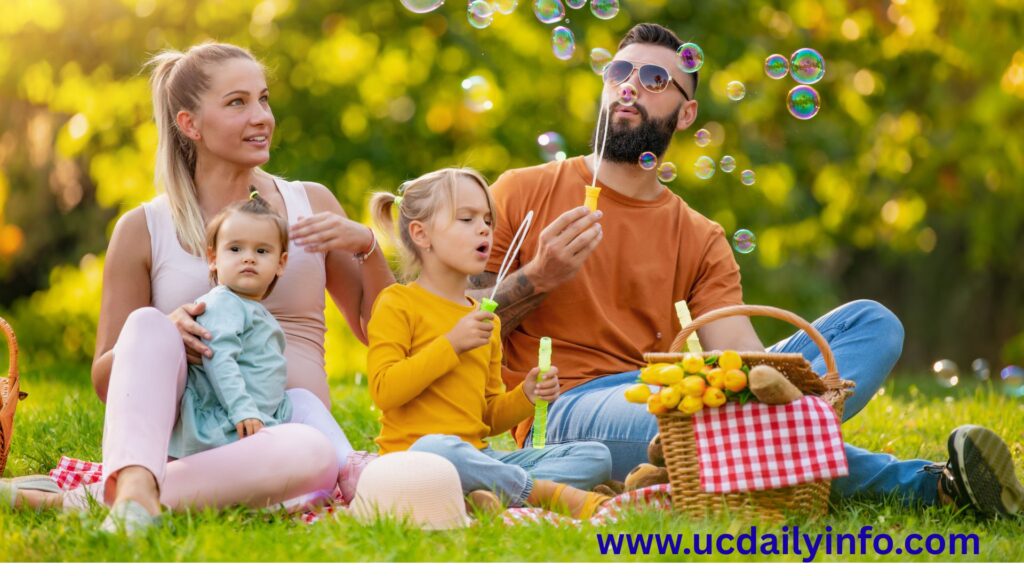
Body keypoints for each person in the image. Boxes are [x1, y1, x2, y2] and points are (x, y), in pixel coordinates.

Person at [468, 23, 1023, 518]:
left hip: (673, 390)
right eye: (620, 71)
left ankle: (735, 444)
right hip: (568, 408)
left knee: (872, 324)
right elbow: (462, 323)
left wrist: (766, 388)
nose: (630, 85)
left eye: (655, 79)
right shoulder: (526, 190)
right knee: (719, 416)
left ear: (686, 114)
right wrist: (539, 275)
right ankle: (934, 487)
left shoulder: (699, 235)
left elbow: (743, 356)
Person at [2, 42, 394, 531]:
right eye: (238, 103)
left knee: (317, 453)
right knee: (146, 324)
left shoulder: (309, 203)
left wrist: (368, 247)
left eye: (264, 99)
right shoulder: (143, 227)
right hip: (189, 436)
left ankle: (105, 499)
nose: (262, 117)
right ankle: (138, 489)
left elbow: (379, 331)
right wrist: (168, 337)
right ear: (190, 124)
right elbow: (106, 378)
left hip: (280, 440)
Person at [366, 168, 613, 519]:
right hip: (416, 460)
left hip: (479, 460)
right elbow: (384, 391)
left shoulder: (487, 321)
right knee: (438, 448)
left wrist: (526, 398)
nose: (484, 228)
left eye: (487, 219)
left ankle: (484, 494)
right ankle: (542, 493)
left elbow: (486, 416)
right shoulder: (397, 303)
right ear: (421, 234)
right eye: (466, 219)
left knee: (595, 456)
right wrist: (451, 344)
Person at [167, 192, 355, 488]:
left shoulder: (250, 308)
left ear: (281, 264)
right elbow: (219, 358)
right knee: (300, 459)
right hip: (228, 426)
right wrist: (242, 409)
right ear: (213, 258)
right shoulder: (223, 303)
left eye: (262, 251)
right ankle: (347, 470)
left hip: (261, 415)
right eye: (235, 248)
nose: (248, 257)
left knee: (303, 400)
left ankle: (349, 464)